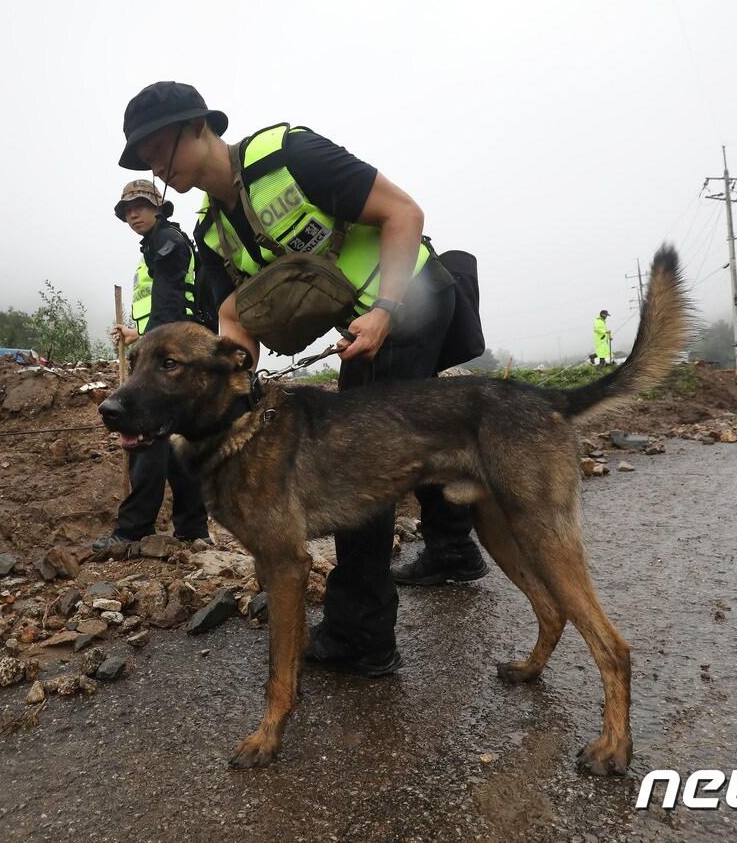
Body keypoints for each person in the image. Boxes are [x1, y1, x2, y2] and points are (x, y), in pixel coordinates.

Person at [118, 80, 486, 677]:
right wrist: (230, 392)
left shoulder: (285, 157)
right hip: (363, 327)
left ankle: (359, 637)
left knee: (362, 466)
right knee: (422, 435)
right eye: (145, 160)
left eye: (159, 149)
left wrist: (385, 311)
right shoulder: (213, 234)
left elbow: (403, 212)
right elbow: (233, 326)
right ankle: (452, 549)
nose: (156, 168)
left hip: (412, 299)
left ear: (199, 127)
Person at [92, 180, 209, 551]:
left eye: (140, 205)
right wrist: (136, 333)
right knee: (175, 443)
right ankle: (193, 530)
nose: (133, 214)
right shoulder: (153, 251)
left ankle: (132, 530)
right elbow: (160, 310)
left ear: (158, 207)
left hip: (170, 360)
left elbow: (172, 306)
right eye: (127, 210)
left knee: (143, 438)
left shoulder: (168, 242)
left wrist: (154, 357)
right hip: (168, 353)